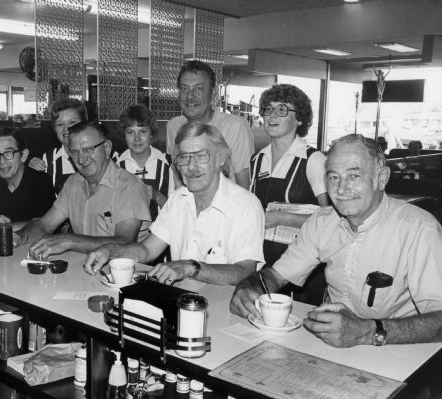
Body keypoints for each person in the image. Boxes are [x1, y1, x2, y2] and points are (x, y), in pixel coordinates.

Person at [230, 134, 442, 348]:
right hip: (330, 349)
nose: (341, 189)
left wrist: (365, 332)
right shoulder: (322, 222)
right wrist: (250, 285)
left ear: (382, 177)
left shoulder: (419, 229)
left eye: (354, 176)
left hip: (397, 353)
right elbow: (275, 276)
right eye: (333, 177)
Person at [85, 123, 264, 286]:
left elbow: (245, 271)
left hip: (223, 310)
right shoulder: (178, 199)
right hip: (179, 301)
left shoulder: (246, 205)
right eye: (184, 157)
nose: (191, 167)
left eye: (201, 156)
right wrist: (111, 251)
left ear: (221, 160)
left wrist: (189, 267)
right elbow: (147, 250)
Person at [14, 120, 152, 260]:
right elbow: (44, 225)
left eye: (88, 150)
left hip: (120, 275)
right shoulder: (73, 183)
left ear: (107, 148)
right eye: (74, 152)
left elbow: (125, 241)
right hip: (82, 270)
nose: (81, 159)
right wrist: (20, 236)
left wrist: (70, 241)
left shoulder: (130, 186)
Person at [249, 84, 328, 266]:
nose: (272, 115)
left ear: (299, 119)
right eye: (268, 109)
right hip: (261, 258)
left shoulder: (313, 160)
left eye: (282, 109)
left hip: (303, 263)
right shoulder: (257, 160)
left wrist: (282, 218)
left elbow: (332, 219)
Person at [166, 60, 254, 188]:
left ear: (213, 93)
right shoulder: (174, 126)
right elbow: (175, 177)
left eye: (198, 89)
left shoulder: (234, 127)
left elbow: (244, 185)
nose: (190, 96)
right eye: (184, 89)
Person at [116, 104, 172, 219]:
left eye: (143, 131)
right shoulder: (115, 165)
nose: (137, 138)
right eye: (130, 132)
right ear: (124, 135)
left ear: (151, 134)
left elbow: (178, 211)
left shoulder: (169, 164)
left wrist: (156, 195)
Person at [28, 98, 87, 194]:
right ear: (54, 128)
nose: (66, 129)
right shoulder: (47, 160)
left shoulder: (97, 155)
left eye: (72, 122)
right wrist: (31, 174)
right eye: (60, 124)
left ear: (84, 124)